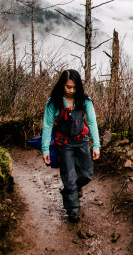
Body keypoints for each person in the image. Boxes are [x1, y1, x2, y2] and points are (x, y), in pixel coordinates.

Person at [41, 69, 100, 223]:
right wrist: (45, 149)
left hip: (82, 142)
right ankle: (73, 210)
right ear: (62, 85)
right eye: (68, 87)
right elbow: (47, 126)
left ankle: (72, 190)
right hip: (64, 144)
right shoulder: (53, 102)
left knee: (86, 174)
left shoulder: (84, 101)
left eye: (74, 87)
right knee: (69, 178)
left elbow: (92, 122)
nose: (72, 90)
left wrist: (96, 145)